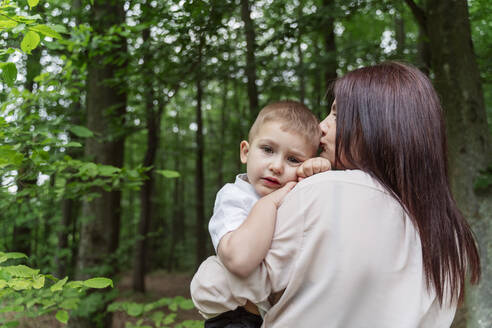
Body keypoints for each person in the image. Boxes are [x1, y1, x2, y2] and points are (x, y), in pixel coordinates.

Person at [191, 62, 481, 327]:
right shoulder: (450, 239)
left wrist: (209, 276)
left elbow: (225, 286)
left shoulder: (324, 191)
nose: (321, 126)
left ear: (378, 126)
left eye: (337, 114)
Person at [198, 100, 332, 328]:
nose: (277, 166)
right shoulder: (235, 197)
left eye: (293, 159)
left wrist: (320, 170)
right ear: (245, 152)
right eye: (268, 150)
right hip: (238, 318)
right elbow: (239, 260)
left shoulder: (296, 193)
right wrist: (269, 203)